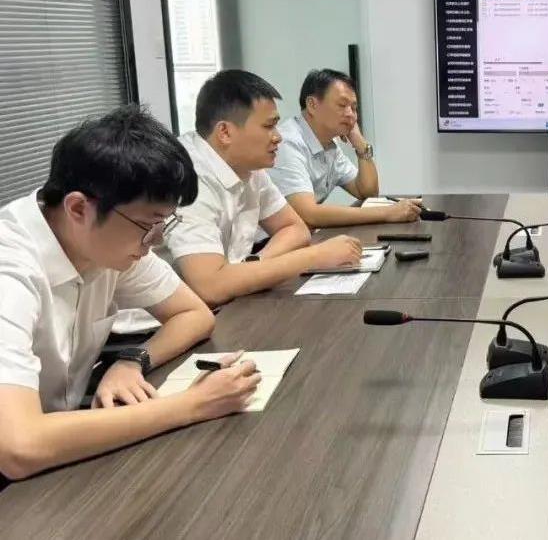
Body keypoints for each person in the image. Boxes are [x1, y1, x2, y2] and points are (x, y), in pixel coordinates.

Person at [0, 106, 260, 480]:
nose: (155, 242)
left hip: (61, 449)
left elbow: (194, 314)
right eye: (147, 225)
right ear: (78, 208)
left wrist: (131, 360)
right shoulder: (11, 271)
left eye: (164, 223)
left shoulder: (104, 241)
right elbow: (19, 446)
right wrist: (193, 405)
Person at [161, 70, 364, 308]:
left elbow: (295, 229)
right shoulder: (188, 175)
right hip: (163, 322)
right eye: (269, 126)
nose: (278, 137)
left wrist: (254, 265)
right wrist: (315, 256)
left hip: (224, 304)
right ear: (225, 132)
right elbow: (211, 287)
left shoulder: (248, 164)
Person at [267, 69, 421, 227]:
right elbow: (309, 214)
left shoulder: (329, 145)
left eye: (354, 108)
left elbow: (366, 192)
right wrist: (388, 213)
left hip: (305, 234)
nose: (350, 114)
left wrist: (360, 144)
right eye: (342, 105)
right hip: (268, 240)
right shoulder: (287, 143)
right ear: (312, 105)